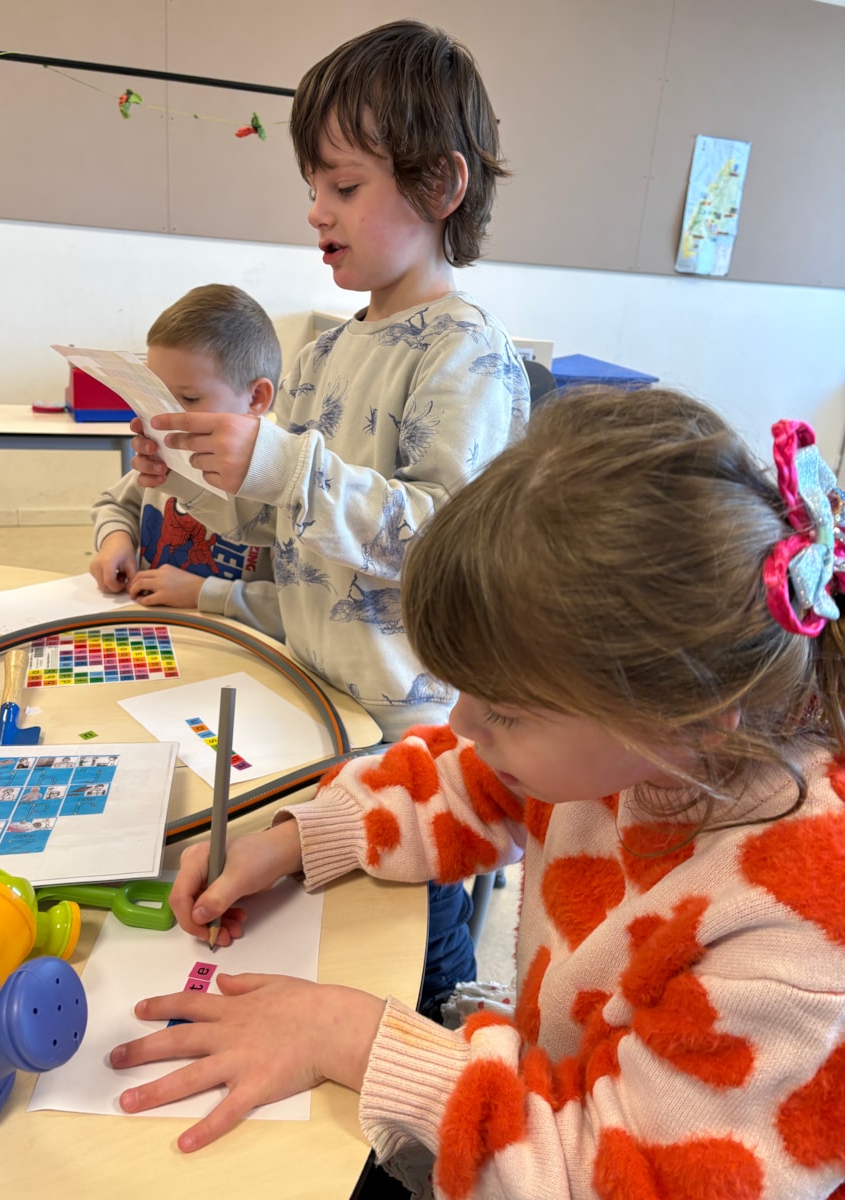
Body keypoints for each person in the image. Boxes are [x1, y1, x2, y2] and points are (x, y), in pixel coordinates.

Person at [110, 386, 845, 1200]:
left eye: (508, 711)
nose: (462, 721)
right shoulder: (639, 744)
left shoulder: (798, 934)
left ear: (689, 718)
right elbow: (463, 778)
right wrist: (295, 840)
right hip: (550, 1081)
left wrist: (353, 1037)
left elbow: (609, 1179)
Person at [126, 20, 531, 1018]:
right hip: (313, 707)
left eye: (344, 186)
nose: (316, 211)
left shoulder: (467, 355)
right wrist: (197, 482)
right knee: (317, 941)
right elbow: (280, 529)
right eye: (314, 186)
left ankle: (440, 1041)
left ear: (440, 186)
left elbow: (442, 547)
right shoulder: (318, 352)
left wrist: (281, 464)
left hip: (408, 749)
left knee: (408, 959)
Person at [88, 283, 283, 640]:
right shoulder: (165, 453)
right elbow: (114, 504)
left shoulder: (279, 483)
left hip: (233, 651)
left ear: (256, 397)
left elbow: (302, 611)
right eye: (153, 393)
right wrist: (116, 540)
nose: (162, 416)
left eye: (188, 398)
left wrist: (203, 592)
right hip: (149, 636)